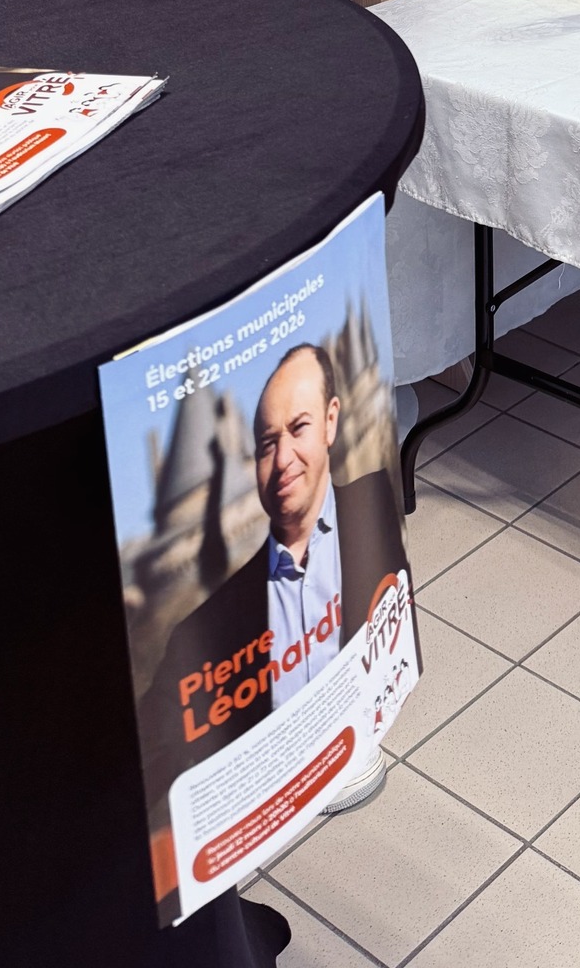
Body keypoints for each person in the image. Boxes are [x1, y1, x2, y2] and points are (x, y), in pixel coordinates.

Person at [139, 344, 409, 898]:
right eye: (267, 443)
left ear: (332, 421)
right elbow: (155, 761)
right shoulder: (199, 629)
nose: (283, 457)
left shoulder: (374, 504)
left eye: (299, 428)